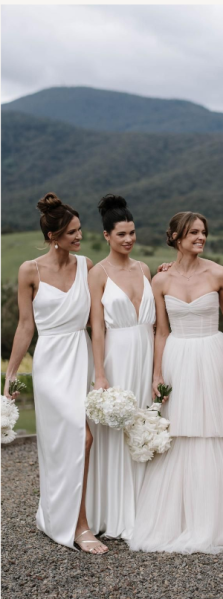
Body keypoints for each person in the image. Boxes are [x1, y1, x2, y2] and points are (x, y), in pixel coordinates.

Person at [128, 211, 223, 554]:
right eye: (193, 232)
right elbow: (161, 331)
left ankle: (222, 518)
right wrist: (157, 373)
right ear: (176, 237)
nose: (200, 237)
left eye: (203, 232)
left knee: (214, 431)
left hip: (212, 354)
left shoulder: (220, 274)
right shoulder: (161, 280)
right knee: (178, 433)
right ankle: (177, 520)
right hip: (177, 355)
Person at [4, 193, 107, 554]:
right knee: (74, 440)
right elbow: (25, 327)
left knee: (81, 439)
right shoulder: (29, 270)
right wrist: (11, 374)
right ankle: (76, 526)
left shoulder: (87, 265)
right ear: (53, 236)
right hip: (50, 362)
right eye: (72, 232)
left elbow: (102, 314)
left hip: (80, 357)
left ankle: (67, 517)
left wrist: (159, 271)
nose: (79, 237)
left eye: (80, 230)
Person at [86, 194, 155, 540]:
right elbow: (96, 328)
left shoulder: (145, 269)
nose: (128, 239)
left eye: (132, 233)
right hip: (117, 354)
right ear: (106, 236)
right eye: (121, 234)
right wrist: (100, 373)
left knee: (145, 425)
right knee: (117, 430)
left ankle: (147, 507)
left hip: (145, 352)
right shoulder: (97, 273)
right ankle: (116, 511)